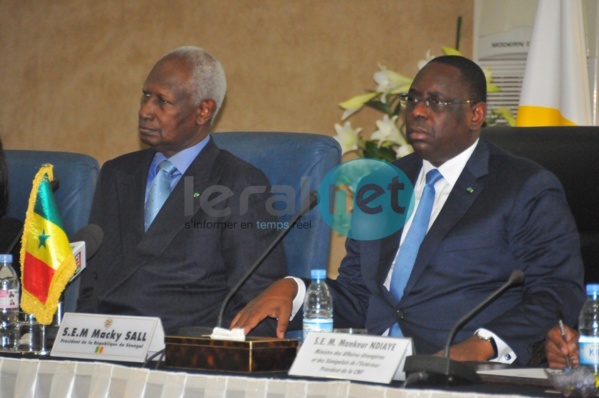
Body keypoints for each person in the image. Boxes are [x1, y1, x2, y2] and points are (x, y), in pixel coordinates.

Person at [231, 55, 585, 365]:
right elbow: (359, 295)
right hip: (368, 364)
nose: (417, 111)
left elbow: (557, 292)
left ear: (476, 114)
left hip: (459, 369)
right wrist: (295, 290)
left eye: (436, 102)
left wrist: (484, 345)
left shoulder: (524, 187)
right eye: (412, 99)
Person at [77, 46, 287, 335]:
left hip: (185, 354)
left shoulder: (238, 183)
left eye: (162, 101)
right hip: (105, 345)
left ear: (203, 111)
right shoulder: (117, 173)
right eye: (145, 95)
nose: (145, 111)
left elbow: (257, 301)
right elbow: (91, 282)